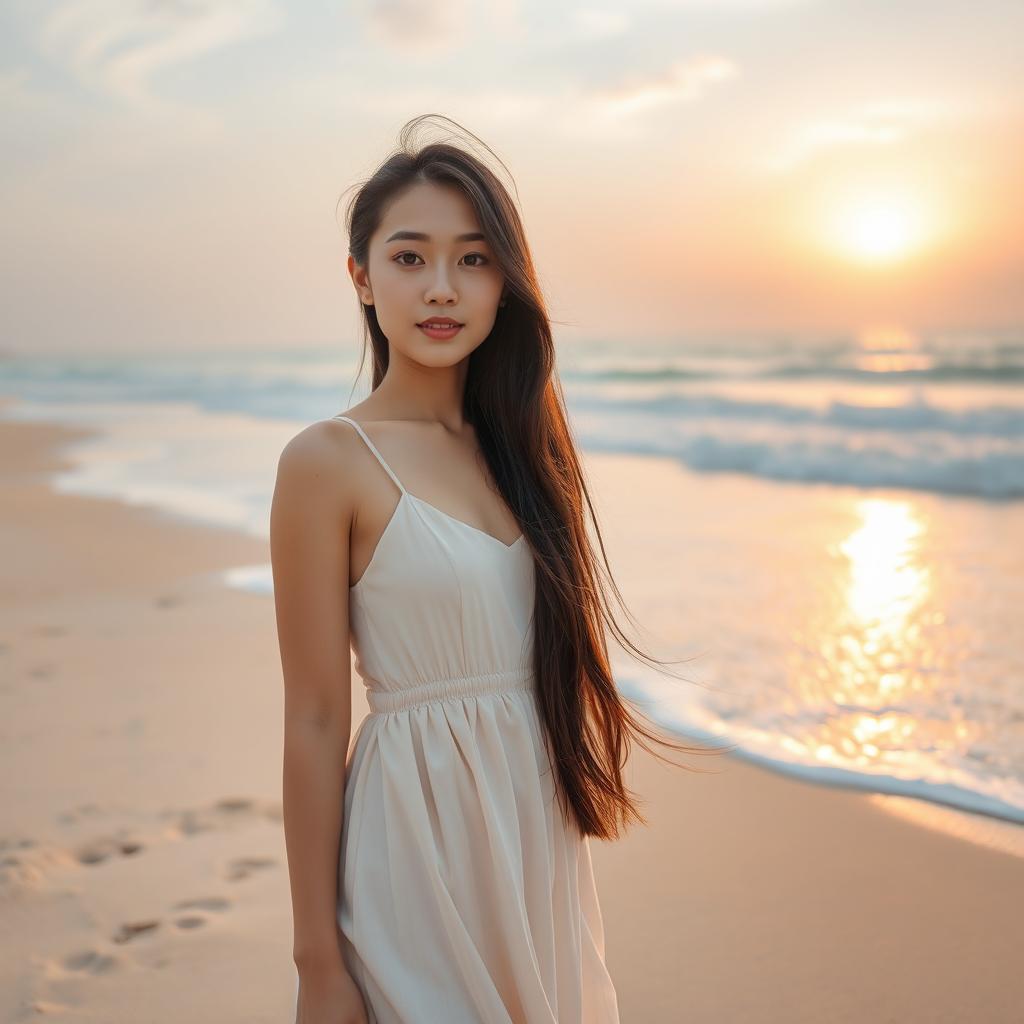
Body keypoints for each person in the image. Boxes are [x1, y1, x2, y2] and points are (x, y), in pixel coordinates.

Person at [271, 114, 728, 1024]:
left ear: (505, 282)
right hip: (414, 839)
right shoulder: (328, 461)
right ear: (361, 275)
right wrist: (317, 965)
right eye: (410, 258)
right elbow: (317, 719)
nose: (442, 289)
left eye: (474, 260)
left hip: (532, 837)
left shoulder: (525, 452)